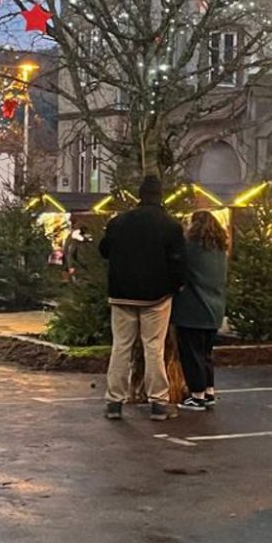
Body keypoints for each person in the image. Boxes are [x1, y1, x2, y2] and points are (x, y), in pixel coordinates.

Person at [99, 174, 185, 421]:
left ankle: (114, 402)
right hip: (156, 296)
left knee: (121, 347)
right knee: (154, 348)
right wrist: (176, 286)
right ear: (161, 196)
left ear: (140, 195)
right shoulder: (170, 225)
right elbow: (178, 263)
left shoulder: (118, 222)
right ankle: (158, 402)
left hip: (121, 294)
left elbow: (104, 250)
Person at [173, 211, 229, 413]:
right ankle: (209, 391)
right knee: (206, 353)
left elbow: (178, 271)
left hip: (193, 310)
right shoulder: (220, 250)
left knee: (192, 354)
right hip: (215, 309)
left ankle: (196, 396)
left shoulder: (189, 248)